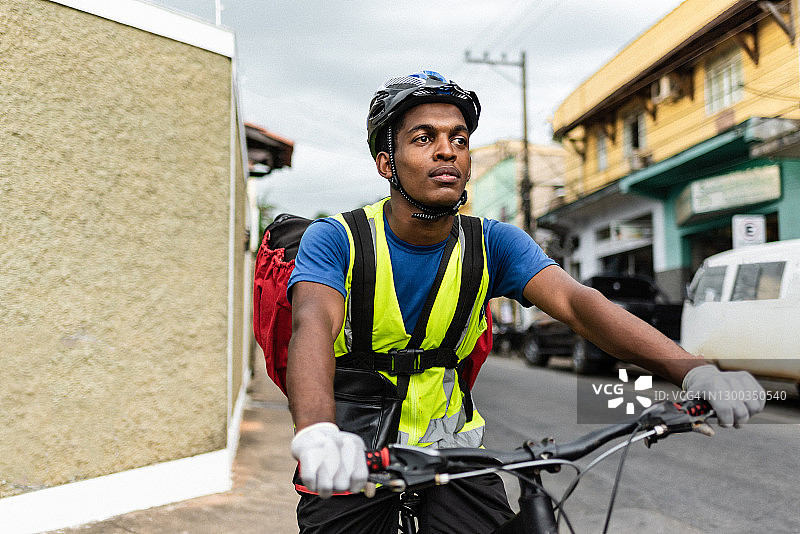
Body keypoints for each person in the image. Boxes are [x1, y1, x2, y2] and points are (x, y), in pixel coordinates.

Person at [285, 70, 765, 534]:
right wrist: (317, 432)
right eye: (423, 138)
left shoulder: (493, 243)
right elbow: (312, 326)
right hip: (350, 450)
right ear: (386, 163)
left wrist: (693, 370)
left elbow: (579, 305)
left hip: (451, 453)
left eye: (459, 138)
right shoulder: (338, 237)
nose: (447, 151)